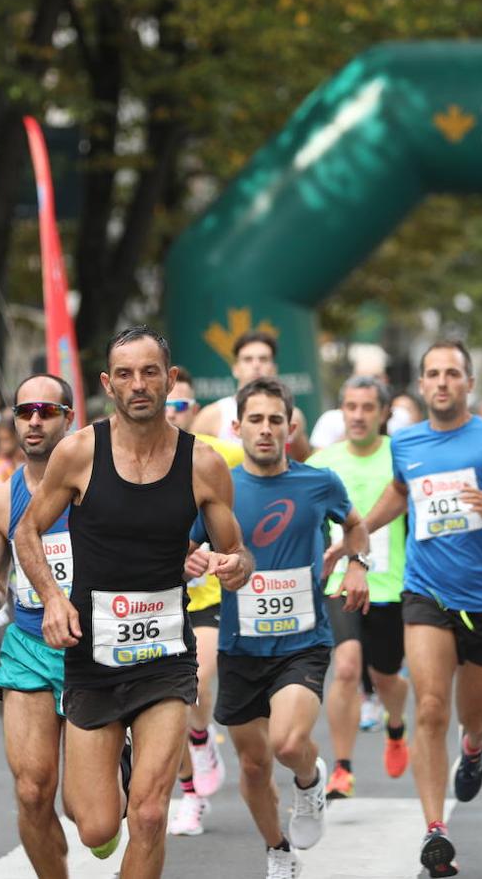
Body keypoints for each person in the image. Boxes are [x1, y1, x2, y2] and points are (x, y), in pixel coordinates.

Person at [14, 326, 252, 879]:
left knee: (148, 815)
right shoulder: (78, 453)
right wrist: (52, 598)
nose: (138, 384)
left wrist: (235, 566)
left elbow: (236, 553)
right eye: (125, 374)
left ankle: (141, 776)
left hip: (167, 656)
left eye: (150, 372)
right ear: (107, 384)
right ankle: (121, 764)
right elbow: (27, 531)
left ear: (170, 380)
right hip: (92, 659)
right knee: (96, 827)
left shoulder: (204, 464)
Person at [361, 340, 482, 877]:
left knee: (474, 715)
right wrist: (360, 530)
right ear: (421, 385)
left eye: (452, 374)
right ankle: (435, 830)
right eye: (432, 374)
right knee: (431, 707)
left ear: (468, 384)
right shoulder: (406, 441)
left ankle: (473, 747)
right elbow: (401, 491)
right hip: (427, 592)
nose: (441, 382)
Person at [191, 376, 371, 878]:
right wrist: (195, 561)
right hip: (240, 647)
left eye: (276, 420)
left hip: (303, 643)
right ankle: (277, 848)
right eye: (256, 420)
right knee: (252, 765)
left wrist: (356, 562)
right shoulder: (219, 490)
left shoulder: (319, 482)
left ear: (290, 427)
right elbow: (187, 548)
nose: (266, 430)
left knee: (288, 744)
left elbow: (354, 525)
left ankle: (311, 781)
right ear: (237, 426)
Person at [0, 374, 78, 876]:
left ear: (69, 418)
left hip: (95, 650)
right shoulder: (0, 501)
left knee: (90, 815)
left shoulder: (96, 490)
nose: (34, 421)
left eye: (46, 411)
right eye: (24, 412)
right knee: (30, 791)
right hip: (29, 647)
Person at [308, 376, 410, 799]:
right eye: (351, 406)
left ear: (384, 413)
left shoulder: (400, 458)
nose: (358, 415)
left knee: (386, 678)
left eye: (368, 407)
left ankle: (396, 724)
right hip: (340, 583)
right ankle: (343, 769)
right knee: (347, 667)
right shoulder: (322, 463)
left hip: (393, 586)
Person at [164, 366, 241, 837]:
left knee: (196, 678)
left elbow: (265, 460)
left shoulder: (216, 455)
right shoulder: (137, 457)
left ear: (193, 410)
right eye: (168, 403)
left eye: (181, 405)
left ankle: (201, 737)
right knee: (169, 702)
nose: (173, 412)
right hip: (153, 598)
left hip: (206, 593)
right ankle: (190, 796)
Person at [191, 331, 311, 461]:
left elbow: (304, 460)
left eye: (263, 359)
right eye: (248, 359)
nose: (256, 365)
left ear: (274, 368)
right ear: (235, 368)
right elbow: (189, 462)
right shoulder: (211, 415)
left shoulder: (293, 416)